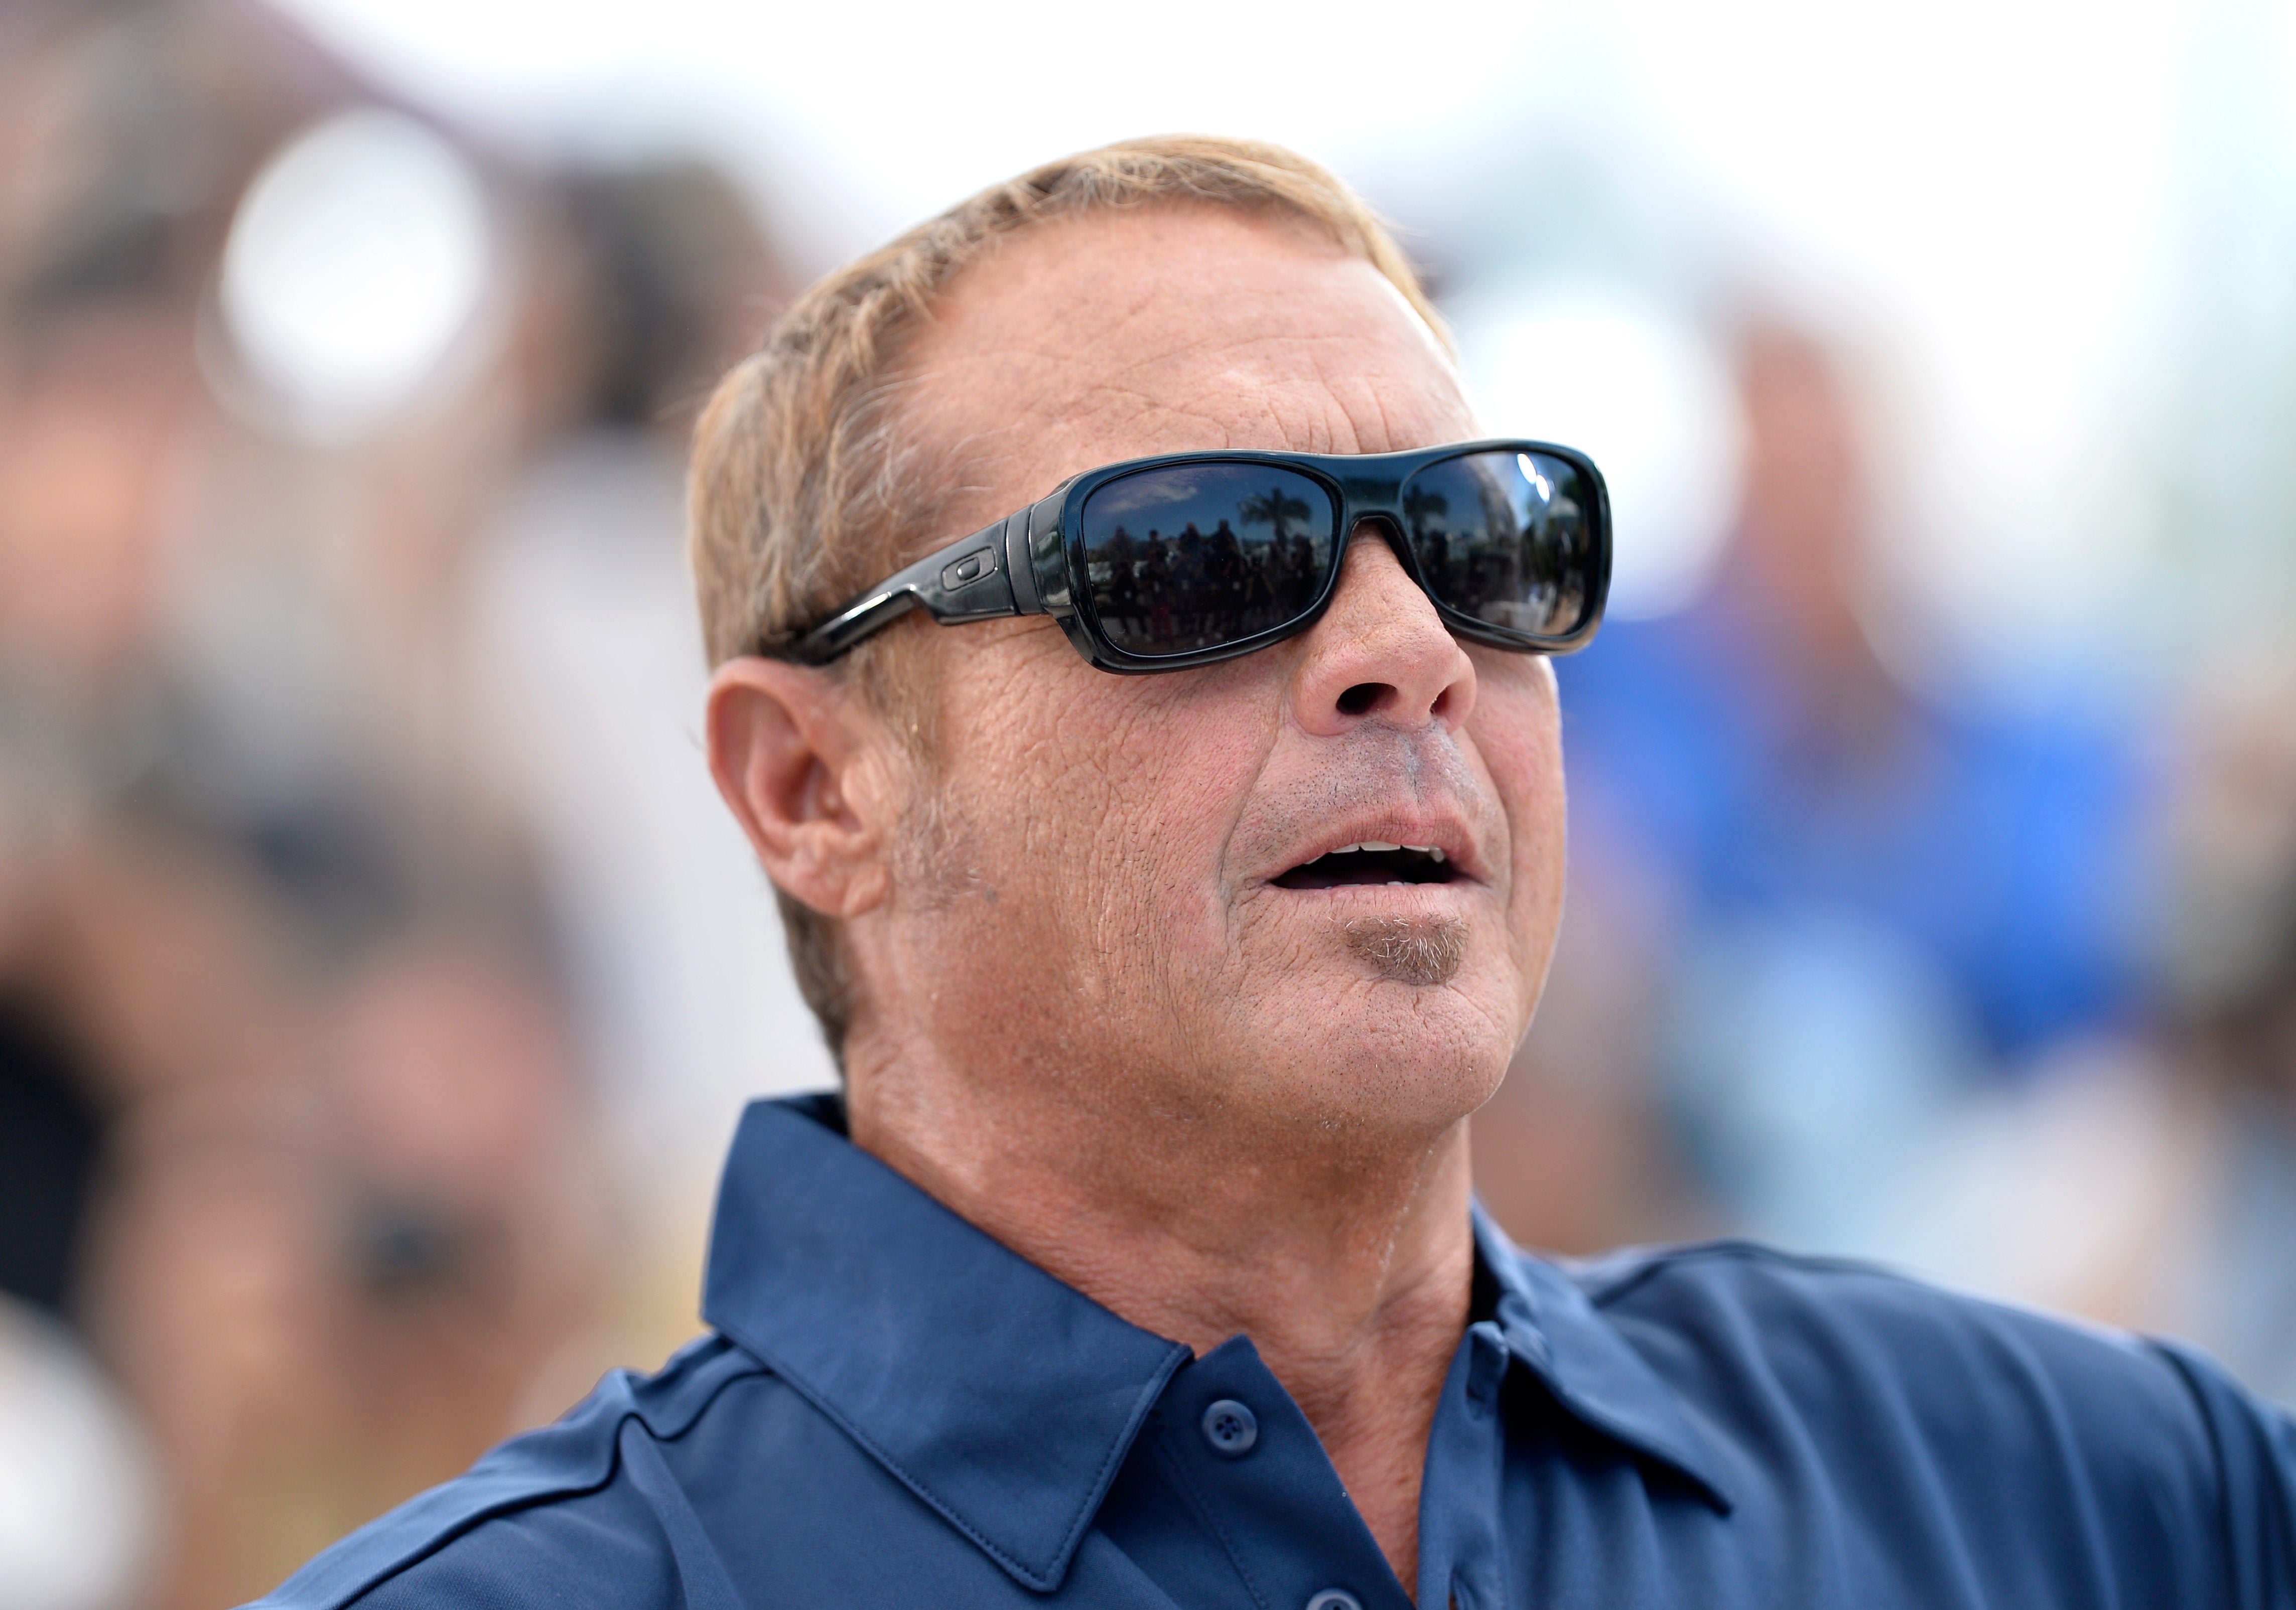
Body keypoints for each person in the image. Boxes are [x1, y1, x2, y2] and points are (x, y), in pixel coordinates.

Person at [248, 136, 2296, 1610]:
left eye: (1492, 541)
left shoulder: (2051, 1486)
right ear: (811, 783)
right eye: (1198, 559)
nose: (1409, 642)